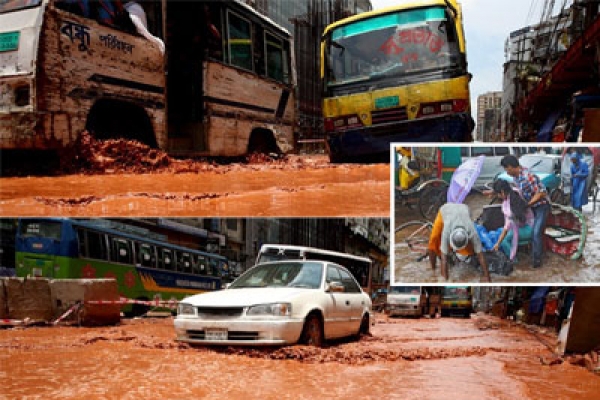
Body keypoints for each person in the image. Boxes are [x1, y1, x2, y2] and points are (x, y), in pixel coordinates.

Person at [500, 155, 550, 268]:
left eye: (507, 169)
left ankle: (537, 262)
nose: (506, 172)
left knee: (536, 232)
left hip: (541, 206)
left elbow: (541, 193)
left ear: (512, 167)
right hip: (531, 206)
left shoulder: (529, 176)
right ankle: (532, 252)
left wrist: (528, 205)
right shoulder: (516, 178)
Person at [428, 203, 491, 282]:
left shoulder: (472, 232)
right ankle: (433, 268)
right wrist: (445, 281)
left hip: (465, 209)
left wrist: (487, 276)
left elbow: (481, 256)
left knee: (470, 250)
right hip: (445, 211)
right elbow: (444, 259)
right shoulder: (446, 231)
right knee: (433, 241)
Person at [491, 179, 534, 261]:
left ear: (502, 192)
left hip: (528, 229)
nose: (497, 196)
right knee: (500, 232)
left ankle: (514, 261)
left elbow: (506, 228)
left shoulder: (510, 210)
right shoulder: (516, 192)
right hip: (529, 224)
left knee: (504, 241)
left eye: (498, 194)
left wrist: (497, 244)